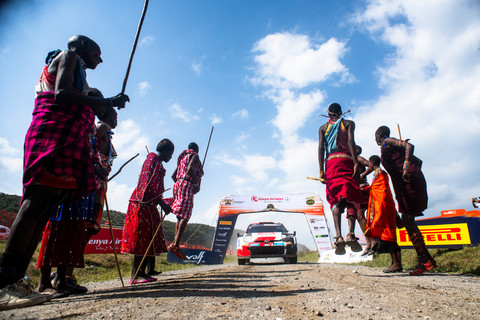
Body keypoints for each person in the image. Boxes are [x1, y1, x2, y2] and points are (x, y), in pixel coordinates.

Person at [0, 35, 129, 310]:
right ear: (83, 48)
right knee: (34, 206)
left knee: (43, 211)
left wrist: (105, 103)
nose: (100, 59)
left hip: (66, 140)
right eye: (98, 53)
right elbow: (60, 94)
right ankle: (2, 283)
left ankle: (15, 282)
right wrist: (106, 99)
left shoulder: (80, 73)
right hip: (52, 138)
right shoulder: (69, 58)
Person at [375, 126, 437, 275]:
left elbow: (409, 146)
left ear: (379, 135)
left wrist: (405, 168)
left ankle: (425, 261)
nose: (375, 139)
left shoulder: (387, 141)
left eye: (375, 136)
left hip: (409, 182)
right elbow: (419, 162)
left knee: (408, 219)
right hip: (404, 185)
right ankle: (426, 259)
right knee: (408, 220)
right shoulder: (388, 148)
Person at [121, 139, 174, 284]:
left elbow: (155, 188)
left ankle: (142, 272)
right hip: (142, 204)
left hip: (149, 205)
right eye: (171, 154)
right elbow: (147, 187)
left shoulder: (156, 162)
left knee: (150, 238)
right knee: (142, 239)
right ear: (166, 151)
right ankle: (136, 274)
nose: (171, 157)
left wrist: (162, 202)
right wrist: (162, 204)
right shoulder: (153, 161)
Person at [318, 103, 362, 255]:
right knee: (351, 196)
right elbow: (351, 143)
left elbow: (321, 148)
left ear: (328, 114)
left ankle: (338, 237)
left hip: (331, 164)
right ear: (342, 113)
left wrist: (321, 171)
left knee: (335, 198)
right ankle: (351, 234)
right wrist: (356, 163)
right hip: (346, 161)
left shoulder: (323, 128)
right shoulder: (349, 123)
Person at [364, 155, 402, 272]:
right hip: (386, 205)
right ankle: (395, 263)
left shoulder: (380, 173)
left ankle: (396, 264)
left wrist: (368, 188)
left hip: (384, 206)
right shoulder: (378, 173)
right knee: (389, 234)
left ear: (371, 163)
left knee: (389, 234)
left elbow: (382, 190)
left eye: (369, 164)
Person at [168, 142, 204, 260]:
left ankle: (175, 243)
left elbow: (173, 176)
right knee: (186, 214)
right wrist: (194, 183)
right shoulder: (194, 156)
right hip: (186, 183)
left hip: (178, 184)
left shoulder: (182, 158)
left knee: (179, 215)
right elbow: (189, 169)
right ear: (196, 150)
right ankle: (176, 245)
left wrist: (180, 182)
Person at [356, 145, 375, 256]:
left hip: (363, 188)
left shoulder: (359, 158)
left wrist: (362, 174)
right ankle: (369, 243)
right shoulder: (351, 160)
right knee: (359, 216)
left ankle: (372, 242)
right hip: (356, 189)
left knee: (363, 215)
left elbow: (371, 165)